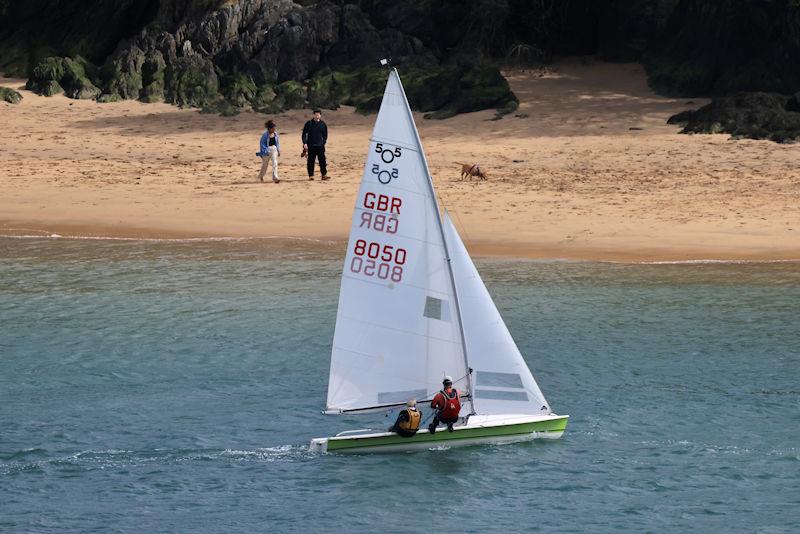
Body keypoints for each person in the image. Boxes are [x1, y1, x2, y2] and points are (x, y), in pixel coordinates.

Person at [301, 109, 328, 181]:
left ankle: (324, 175)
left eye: (318, 114)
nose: (317, 116)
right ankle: (311, 175)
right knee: (310, 161)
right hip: (311, 145)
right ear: (313, 115)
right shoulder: (309, 123)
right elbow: (304, 134)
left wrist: (323, 142)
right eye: (315, 114)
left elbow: (325, 135)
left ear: (320, 115)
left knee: (322, 161)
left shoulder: (323, 124)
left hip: (320, 146)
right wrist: (305, 143)